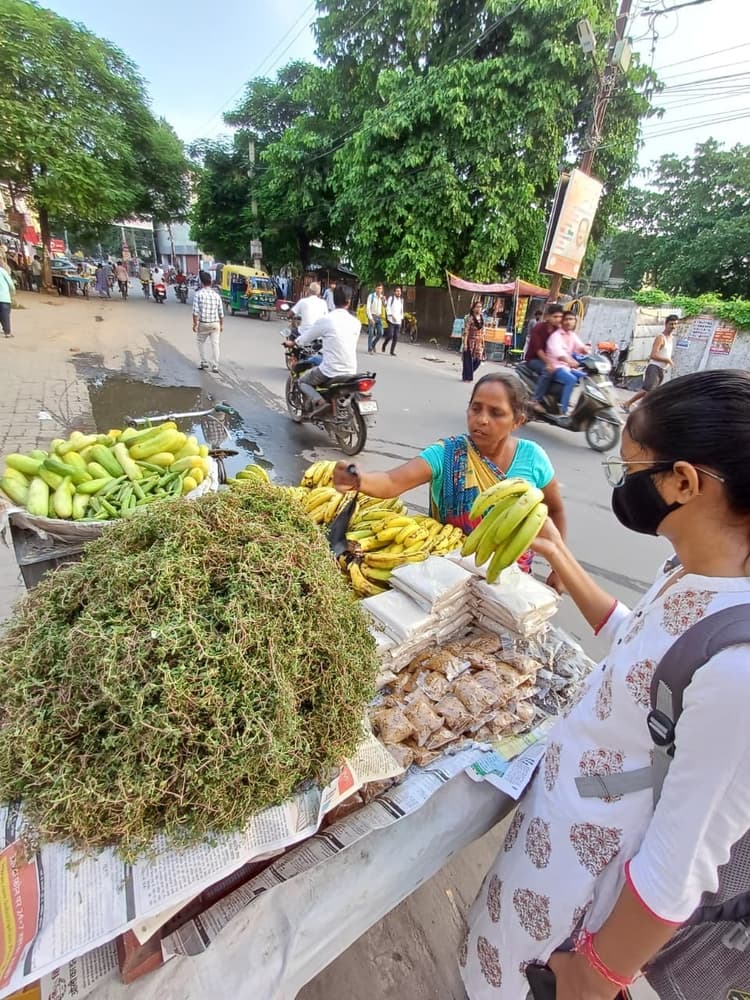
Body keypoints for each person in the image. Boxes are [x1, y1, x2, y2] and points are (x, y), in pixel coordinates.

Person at [460, 368, 750, 1000]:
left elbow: (679, 862)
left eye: (631, 470)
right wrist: (558, 553)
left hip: (586, 899)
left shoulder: (740, 669)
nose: (623, 486)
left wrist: (593, 977)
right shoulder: (688, 568)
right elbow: (642, 649)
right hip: (551, 843)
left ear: (683, 482)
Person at [332, 371, 565, 582]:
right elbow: (392, 481)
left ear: (517, 421)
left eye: (496, 413)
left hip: (514, 578)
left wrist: (559, 569)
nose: (482, 419)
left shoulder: (532, 457)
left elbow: (554, 510)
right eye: (476, 408)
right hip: (449, 575)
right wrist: (359, 480)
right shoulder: (447, 454)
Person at [288, 283, 361, 416]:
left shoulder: (326, 320)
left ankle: (320, 401)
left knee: (302, 381)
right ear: (349, 301)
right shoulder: (356, 322)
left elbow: (304, 338)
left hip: (330, 370)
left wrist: (293, 343)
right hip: (351, 370)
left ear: (333, 299)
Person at [623, 315, 677, 412]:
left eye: (675, 324)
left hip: (661, 369)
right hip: (654, 367)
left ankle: (631, 405)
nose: (673, 326)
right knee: (648, 391)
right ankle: (637, 409)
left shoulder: (671, 338)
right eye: (671, 324)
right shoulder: (661, 338)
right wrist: (667, 360)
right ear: (666, 324)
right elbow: (653, 355)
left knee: (649, 391)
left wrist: (667, 362)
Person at [542, 310, 590, 415]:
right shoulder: (556, 336)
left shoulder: (572, 335)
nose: (568, 322)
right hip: (556, 367)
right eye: (566, 319)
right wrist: (569, 361)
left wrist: (586, 350)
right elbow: (558, 353)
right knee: (571, 379)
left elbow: (580, 347)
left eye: (571, 319)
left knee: (586, 377)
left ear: (575, 321)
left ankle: (579, 407)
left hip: (567, 367)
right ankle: (564, 410)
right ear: (562, 321)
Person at [192, 270, 224, 373]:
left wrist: (195, 324)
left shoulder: (198, 294)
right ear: (211, 282)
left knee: (200, 341)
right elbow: (221, 313)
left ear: (201, 282)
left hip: (204, 323)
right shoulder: (216, 295)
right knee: (215, 344)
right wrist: (221, 325)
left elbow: (195, 312)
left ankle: (204, 362)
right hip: (215, 324)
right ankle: (215, 366)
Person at [462, 301, 486, 382]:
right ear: (473, 309)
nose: (479, 309)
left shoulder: (482, 318)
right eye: (477, 307)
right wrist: (465, 344)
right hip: (470, 341)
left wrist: (483, 343)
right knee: (468, 360)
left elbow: (483, 332)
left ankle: (468, 373)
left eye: (480, 307)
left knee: (478, 360)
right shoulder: (470, 319)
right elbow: (466, 332)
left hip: (479, 342)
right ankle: (467, 377)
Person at [382, 286, 404, 356]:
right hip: (391, 320)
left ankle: (392, 351)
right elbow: (388, 307)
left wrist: (401, 318)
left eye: (399, 291)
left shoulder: (401, 300)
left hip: (398, 321)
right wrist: (391, 315)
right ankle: (384, 344)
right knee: (390, 335)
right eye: (397, 291)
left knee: (396, 337)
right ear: (394, 292)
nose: (398, 292)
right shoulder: (391, 298)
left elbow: (401, 310)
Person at [366, 283, 385, 354]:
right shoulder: (371, 296)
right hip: (372, 316)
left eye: (381, 289)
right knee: (371, 333)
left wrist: (384, 300)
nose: (379, 290)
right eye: (378, 288)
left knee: (381, 333)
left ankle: (373, 344)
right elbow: (368, 308)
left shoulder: (382, 297)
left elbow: (385, 305)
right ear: (375, 289)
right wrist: (371, 318)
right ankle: (370, 349)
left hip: (379, 317)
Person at [0, 264, 16, 338]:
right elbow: (10, 284)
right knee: (5, 315)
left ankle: (5, 329)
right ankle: (7, 332)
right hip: (4, 297)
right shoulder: (2, 271)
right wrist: (13, 293)